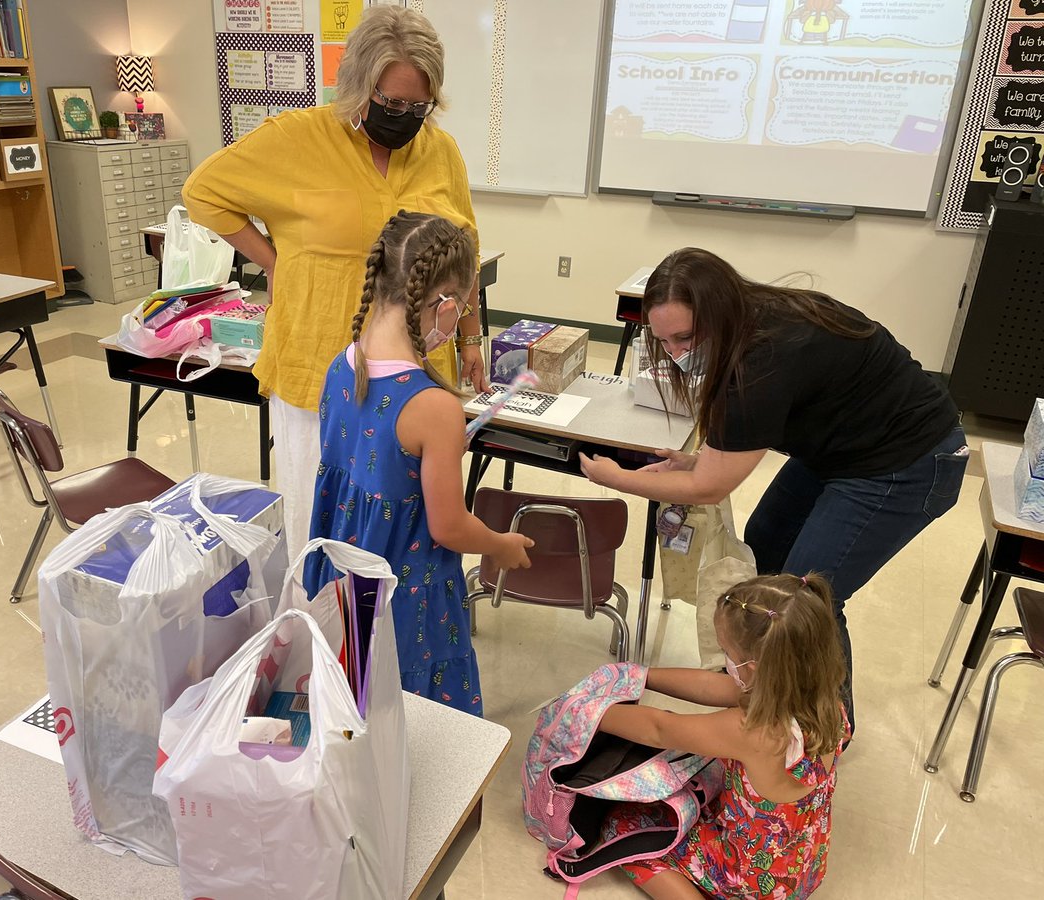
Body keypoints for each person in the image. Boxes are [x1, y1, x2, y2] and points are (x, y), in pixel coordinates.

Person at [580, 247, 966, 728]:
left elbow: (708, 488)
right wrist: (703, 461)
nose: (677, 354)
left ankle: (823, 730)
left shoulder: (761, 359)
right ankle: (764, 688)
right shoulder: (749, 324)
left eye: (685, 338)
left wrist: (617, 478)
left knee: (808, 596)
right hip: (839, 449)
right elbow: (723, 461)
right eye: (664, 341)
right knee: (762, 563)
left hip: (906, 462)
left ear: (720, 310)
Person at [183, 5, 489, 549]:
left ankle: (399, 633)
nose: (404, 115)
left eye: (418, 105)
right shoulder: (296, 139)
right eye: (392, 102)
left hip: (418, 377)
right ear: (358, 85)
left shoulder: (440, 151)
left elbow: (465, 250)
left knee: (411, 533)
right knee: (323, 532)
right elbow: (203, 193)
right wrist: (273, 259)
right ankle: (324, 631)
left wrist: (469, 338)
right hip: (319, 374)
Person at [303, 211, 532, 715]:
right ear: (444, 303)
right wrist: (501, 545)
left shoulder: (344, 363)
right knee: (418, 728)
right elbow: (448, 526)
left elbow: (368, 465)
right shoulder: (433, 407)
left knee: (356, 707)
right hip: (405, 602)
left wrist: (440, 451)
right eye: (465, 305)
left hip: (345, 585)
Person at [599, 573, 850, 900]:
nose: (726, 663)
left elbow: (659, 729)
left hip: (751, 876)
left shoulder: (751, 730)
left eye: (727, 653)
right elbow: (716, 687)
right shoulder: (823, 700)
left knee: (624, 831)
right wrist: (644, 676)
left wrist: (591, 712)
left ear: (755, 667)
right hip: (800, 864)